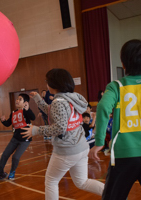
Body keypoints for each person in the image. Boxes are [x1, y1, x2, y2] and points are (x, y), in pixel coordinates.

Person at [89, 39, 141, 199]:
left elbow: (102, 107)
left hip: (124, 155)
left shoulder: (116, 86)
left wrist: (99, 142)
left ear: (123, 63)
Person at [21, 68, 104, 199]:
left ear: (54, 84)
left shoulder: (58, 102)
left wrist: (37, 130)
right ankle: (114, 194)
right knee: (82, 182)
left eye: (47, 81)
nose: (46, 84)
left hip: (67, 150)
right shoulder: (72, 98)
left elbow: (59, 127)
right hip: (81, 147)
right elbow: (51, 111)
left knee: (51, 181)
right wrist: (37, 99)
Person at [0, 93, 35, 180]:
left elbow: (32, 117)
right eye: (17, 99)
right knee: (5, 154)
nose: (17, 100)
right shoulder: (13, 112)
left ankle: (12, 172)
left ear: (25, 102)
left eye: (20, 99)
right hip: (15, 138)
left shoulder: (26, 111)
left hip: (25, 139)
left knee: (15, 157)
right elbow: (8, 124)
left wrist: (28, 109)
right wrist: (3, 121)